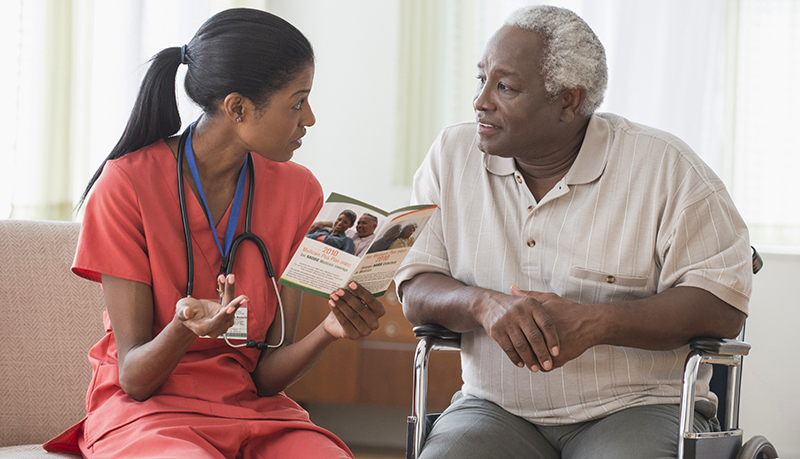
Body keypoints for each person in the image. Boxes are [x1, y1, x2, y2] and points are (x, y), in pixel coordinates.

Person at [394, 5, 752, 459]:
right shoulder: (451, 155)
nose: (481, 101)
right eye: (481, 79)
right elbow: (415, 286)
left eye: (505, 87)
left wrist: (597, 321)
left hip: (638, 408)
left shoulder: (666, 169)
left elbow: (722, 307)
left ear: (568, 100)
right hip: (495, 408)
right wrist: (482, 304)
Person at [45, 9, 385, 459]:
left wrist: (328, 329)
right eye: (297, 102)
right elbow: (135, 378)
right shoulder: (126, 186)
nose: (311, 119)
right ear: (238, 107)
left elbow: (264, 377)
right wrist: (183, 329)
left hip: (253, 412)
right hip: (150, 415)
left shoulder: (298, 192)